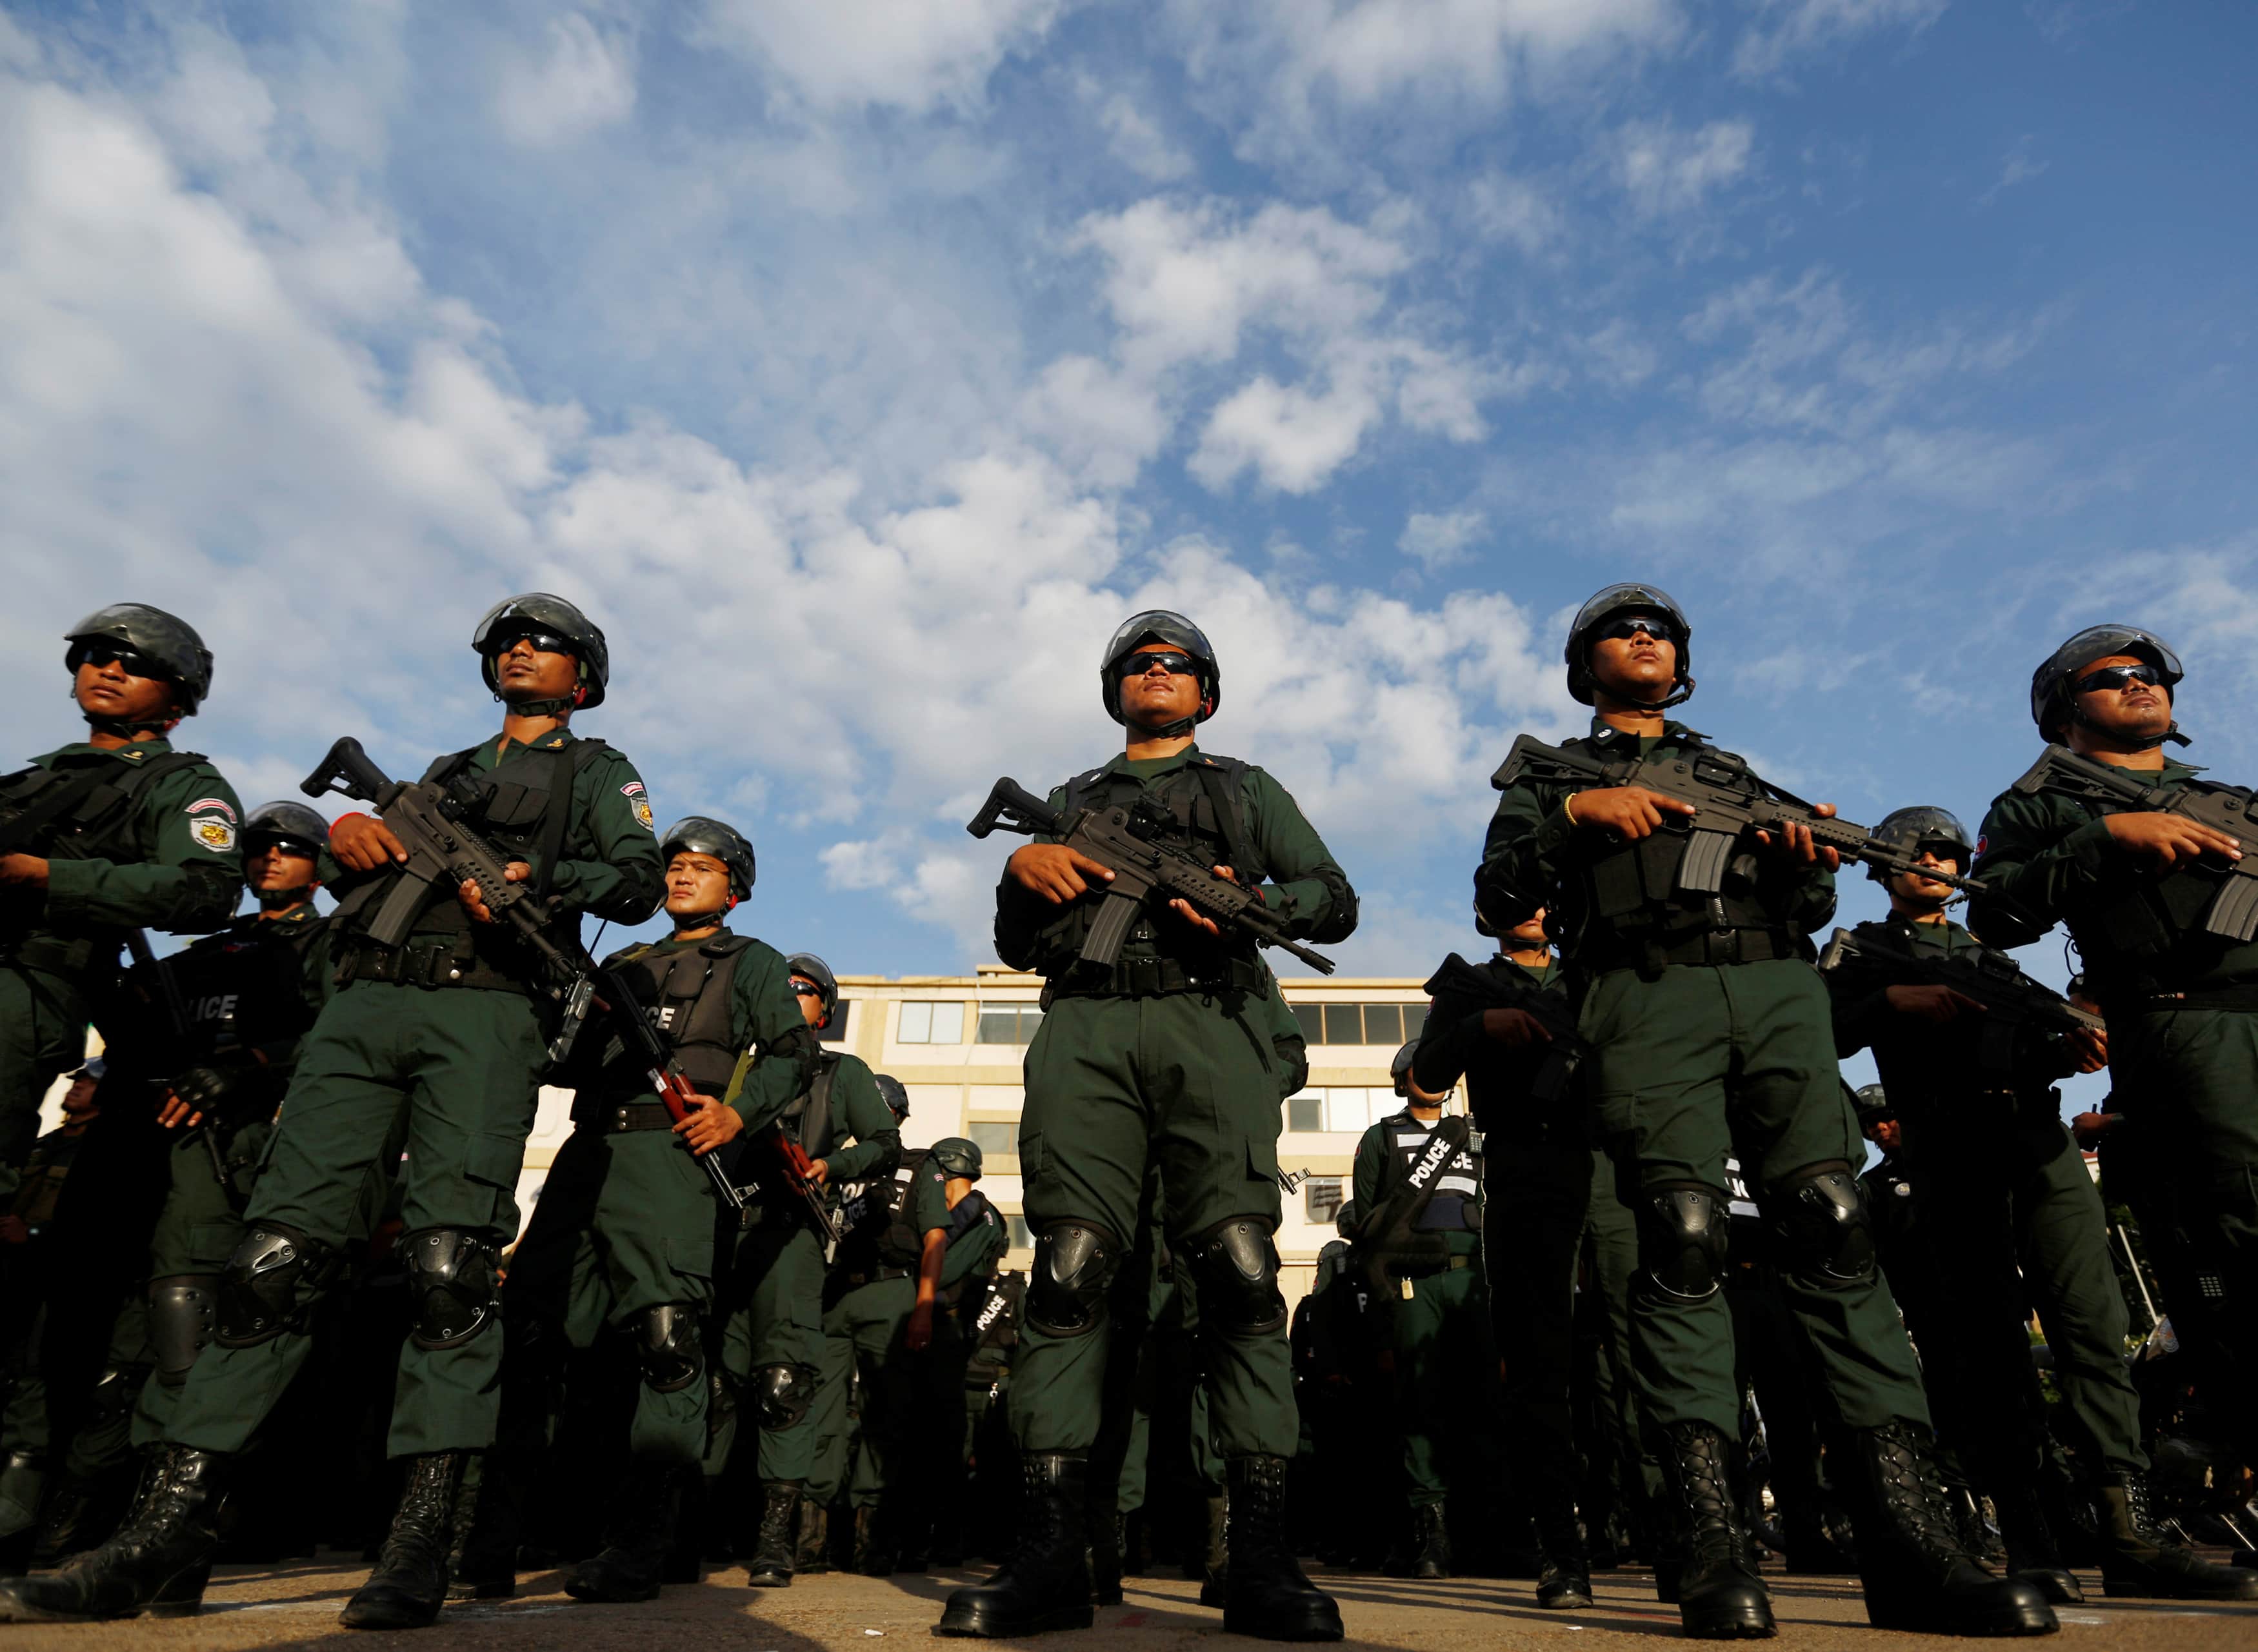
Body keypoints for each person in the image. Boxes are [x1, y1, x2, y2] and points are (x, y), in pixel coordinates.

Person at [0, 593, 664, 1629]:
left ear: (584, 675)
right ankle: (165, 1533)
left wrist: (540, 872)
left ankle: (418, 1544)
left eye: (546, 644)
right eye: (506, 642)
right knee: (270, 1262)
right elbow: (372, 853)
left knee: (450, 1267)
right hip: (362, 1002)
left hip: (484, 1013)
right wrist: (356, 835)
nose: (521, 652)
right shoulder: (444, 774)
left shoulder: (599, 771)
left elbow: (634, 884)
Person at [1479, 582, 2053, 1638]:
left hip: (1777, 989)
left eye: (1661, 630)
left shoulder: (1731, 774)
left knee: (1837, 1224)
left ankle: (1914, 1540)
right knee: (1683, 1232)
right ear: (1585, 663)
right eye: (1622, 628)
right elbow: (1499, 890)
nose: (1645, 638)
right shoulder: (1552, 776)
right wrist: (1573, 815)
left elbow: (1814, 902)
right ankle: (1709, 1539)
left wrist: (1811, 862)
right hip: (1647, 988)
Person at [940, 610, 1357, 1642]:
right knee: (1071, 1269)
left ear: (1205, 693)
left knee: (1242, 1268)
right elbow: (1023, 941)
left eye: (1177, 664)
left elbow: (1334, 899)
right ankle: (1050, 1557)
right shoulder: (1075, 802)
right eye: (1138, 662)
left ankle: (1258, 1556)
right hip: (1086, 1022)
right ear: (1114, 687)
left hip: (1209, 1016)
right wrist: (1019, 872)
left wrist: (1250, 895)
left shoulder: (1247, 790)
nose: (1156, 672)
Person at [1970, 628, 2258, 1602]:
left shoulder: (2230, 802)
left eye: (2151, 677)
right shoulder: (2043, 801)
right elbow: (1996, 911)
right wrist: (2103, 841)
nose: (2140, 687)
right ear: (2063, 709)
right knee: (2243, 1244)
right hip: (2185, 1029)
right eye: (2112, 679)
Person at [467, 815, 816, 1605]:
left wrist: (737, 1113)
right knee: (529, 1337)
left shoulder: (748, 961)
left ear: (735, 886)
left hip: (669, 1157)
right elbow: (557, 1059)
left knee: (668, 1344)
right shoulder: (618, 962)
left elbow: (793, 1053)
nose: (683, 876)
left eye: (703, 866)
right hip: (587, 1151)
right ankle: (491, 1537)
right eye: (674, 865)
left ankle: (645, 1544)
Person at [1412, 899, 1643, 1608]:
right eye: (1517, 900)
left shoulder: (1594, 976)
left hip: (1608, 1167)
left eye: (1547, 896)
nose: (1536, 911)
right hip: (1523, 1164)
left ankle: (1679, 1536)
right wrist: (1479, 1026)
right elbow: (1425, 1073)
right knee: (1538, 1363)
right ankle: (1561, 1550)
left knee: (1647, 1353)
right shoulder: (1469, 986)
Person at [1, 607, 239, 1202]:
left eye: (134, 664)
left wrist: (47, 877)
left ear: (176, 697)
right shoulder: (29, 780)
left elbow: (207, 890)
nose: (107, 670)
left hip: (27, 984)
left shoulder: (181, 783)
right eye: (94, 657)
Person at [714, 951, 900, 1589]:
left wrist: (830, 1168)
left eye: (802, 990)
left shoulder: (839, 1072)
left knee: (782, 1382)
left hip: (787, 1230)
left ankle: (774, 1539)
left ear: (824, 1007)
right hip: (714, 1228)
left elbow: (883, 1142)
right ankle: (682, 1528)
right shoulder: (733, 1058)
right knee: (704, 1380)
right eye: (779, 988)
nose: (789, 998)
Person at [1351, 1041, 1486, 1581]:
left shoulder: (1476, 1133)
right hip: (1415, 1285)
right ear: (1402, 1079)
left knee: (1480, 1404)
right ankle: (1431, 1531)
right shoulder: (1380, 1137)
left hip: (1474, 1280)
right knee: (1420, 1407)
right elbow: (1366, 1224)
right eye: (1418, 1069)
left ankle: (1485, 1530)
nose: (1428, 1076)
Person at [799, 1070, 915, 1577]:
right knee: (821, 1413)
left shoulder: (914, 1167)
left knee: (880, 1416)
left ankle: (873, 1541)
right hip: (836, 1292)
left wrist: (925, 1306)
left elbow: (934, 1239)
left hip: (889, 1291)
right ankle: (811, 1537)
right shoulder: (834, 1168)